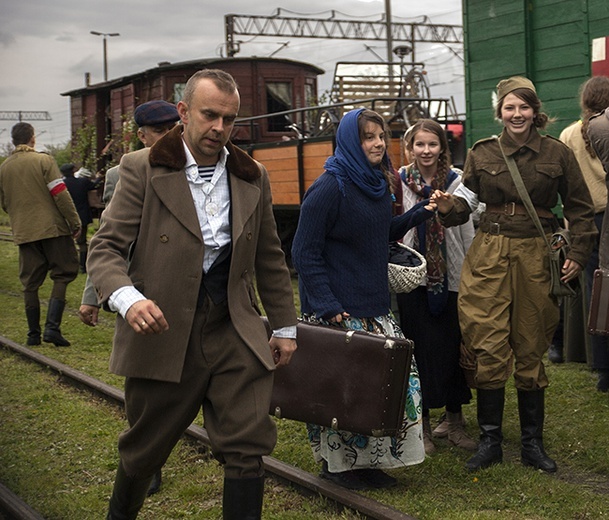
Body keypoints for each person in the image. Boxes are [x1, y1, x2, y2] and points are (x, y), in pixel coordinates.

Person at [87, 69, 298, 519]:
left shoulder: (250, 174)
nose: (219, 128)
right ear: (183, 113)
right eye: (209, 115)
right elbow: (105, 248)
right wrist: (128, 299)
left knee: (247, 448)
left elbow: (269, 256)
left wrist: (283, 327)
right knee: (144, 450)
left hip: (233, 328)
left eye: (229, 119)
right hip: (163, 331)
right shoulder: (141, 168)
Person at [432, 76, 597, 474]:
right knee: (488, 343)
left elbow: (580, 207)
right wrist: (445, 205)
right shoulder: (482, 152)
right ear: (500, 112)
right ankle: (490, 441)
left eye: (524, 106)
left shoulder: (557, 153)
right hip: (489, 253)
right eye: (510, 107)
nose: (517, 114)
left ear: (534, 111)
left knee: (531, 342)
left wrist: (577, 252)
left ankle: (531, 444)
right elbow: (466, 204)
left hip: (536, 256)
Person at [291, 108, 434, 490]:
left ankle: (369, 464)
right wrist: (327, 304)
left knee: (385, 389)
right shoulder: (330, 186)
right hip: (338, 310)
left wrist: (418, 214)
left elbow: (379, 232)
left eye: (380, 135)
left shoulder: (376, 183)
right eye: (367, 137)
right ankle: (339, 467)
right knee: (343, 392)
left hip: (373, 302)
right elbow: (304, 251)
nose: (375, 143)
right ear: (350, 142)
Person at [396, 119, 476, 455]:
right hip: (414, 276)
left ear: (442, 147)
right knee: (419, 349)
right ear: (410, 147)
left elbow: (467, 231)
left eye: (433, 144)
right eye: (420, 144)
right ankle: (423, 426)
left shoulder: (457, 182)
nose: (426, 151)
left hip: (451, 275)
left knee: (452, 346)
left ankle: (454, 421)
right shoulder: (400, 181)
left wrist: (470, 271)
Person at [78, 99, 181, 330]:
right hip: (143, 288)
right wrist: (92, 297)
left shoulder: (193, 168)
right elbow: (110, 239)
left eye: (173, 129)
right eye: (159, 131)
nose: (168, 136)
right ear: (142, 136)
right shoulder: (121, 175)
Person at [0, 123, 81, 347]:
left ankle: (32, 334)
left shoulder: (4, 168)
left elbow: (4, 203)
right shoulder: (44, 160)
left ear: (14, 140)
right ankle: (52, 328)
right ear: (32, 139)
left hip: (24, 231)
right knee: (63, 273)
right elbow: (60, 194)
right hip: (52, 228)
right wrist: (74, 221)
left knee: (30, 283)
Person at [558, 76, 609, 390]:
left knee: (596, 292)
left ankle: (601, 366)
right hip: (605, 218)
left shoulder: (570, 133)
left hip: (584, 219)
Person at [61, 162, 101, 273]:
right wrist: (98, 177)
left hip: (67, 216)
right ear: (73, 171)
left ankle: (67, 264)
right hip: (82, 216)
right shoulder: (83, 182)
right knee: (82, 242)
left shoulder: (63, 184)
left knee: (67, 241)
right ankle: (83, 266)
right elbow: (94, 185)